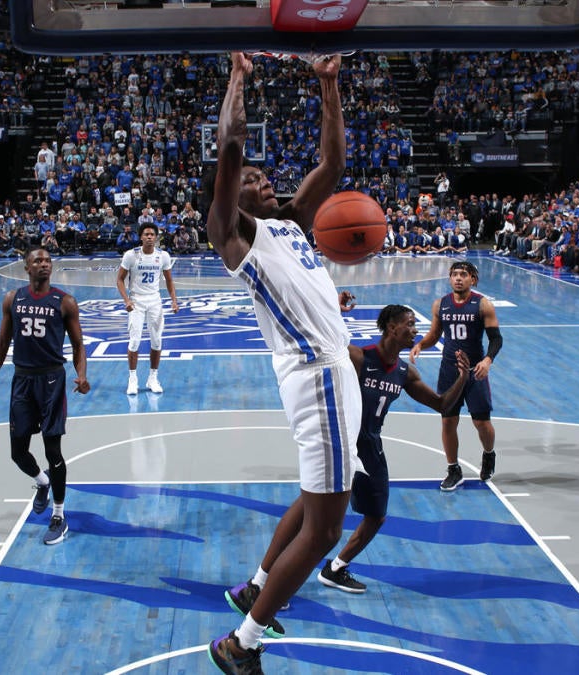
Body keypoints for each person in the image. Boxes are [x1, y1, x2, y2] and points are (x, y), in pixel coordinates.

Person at [205, 52, 361, 675]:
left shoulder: (293, 221)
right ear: (231, 192)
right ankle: (241, 643)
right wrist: (239, 79)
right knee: (324, 532)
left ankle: (257, 584)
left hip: (334, 371)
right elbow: (231, 146)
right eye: (252, 180)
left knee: (321, 496)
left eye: (267, 178)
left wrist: (329, 85)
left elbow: (335, 164)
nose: (263, 181)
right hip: (315, 373)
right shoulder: (232, 234)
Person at [318, 304, 470, 594]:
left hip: (371, 445)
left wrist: (462, 379)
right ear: (391, 327)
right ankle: (269, 581)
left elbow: (441, 405)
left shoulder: (405, 373)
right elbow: (326, 338)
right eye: (410, 324)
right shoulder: (359, 357)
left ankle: (335, 568)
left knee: (376, 516)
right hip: (343, 443)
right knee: (319, 518)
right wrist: (336, 309)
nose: (416, 330)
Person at [0, 248, 91, 545]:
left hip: (53, 379)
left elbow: (79, 345)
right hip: (22, 380)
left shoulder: (65, 301)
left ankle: (59, 515)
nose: (44, 264)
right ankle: (41, 482)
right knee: (17, 452)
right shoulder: (13, 299)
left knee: (52, 451)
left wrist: (81, 375)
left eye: (47, 261)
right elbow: (3, 340)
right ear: (26, 267)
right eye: (37, 261)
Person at [410, 260, 503, 490]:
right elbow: (434, 335)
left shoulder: (483, 305)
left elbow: (496, 338)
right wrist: (421, 344)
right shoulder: (440, 304)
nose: (458, 278)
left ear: (473, 279)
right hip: (449, 370)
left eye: (463, 274)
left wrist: (487, 360)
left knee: (481, 423)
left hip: (474, 371)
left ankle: (489, 453)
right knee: (448, 421)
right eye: (454, 274)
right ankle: (453, 469)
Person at [115, 222, 178, 395]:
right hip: (136, 301)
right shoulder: (131, 255)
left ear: (156, 237)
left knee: (156, 340)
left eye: (152, 234)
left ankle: (153, 378)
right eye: (146, 234)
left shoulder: (163, 256)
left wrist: (174, 300)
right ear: (141, 237)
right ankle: (132, 379)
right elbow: (120, 279)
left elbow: (170, 281)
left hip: (155, 301)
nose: (149, 237)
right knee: (134, 341)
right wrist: (126, 300)